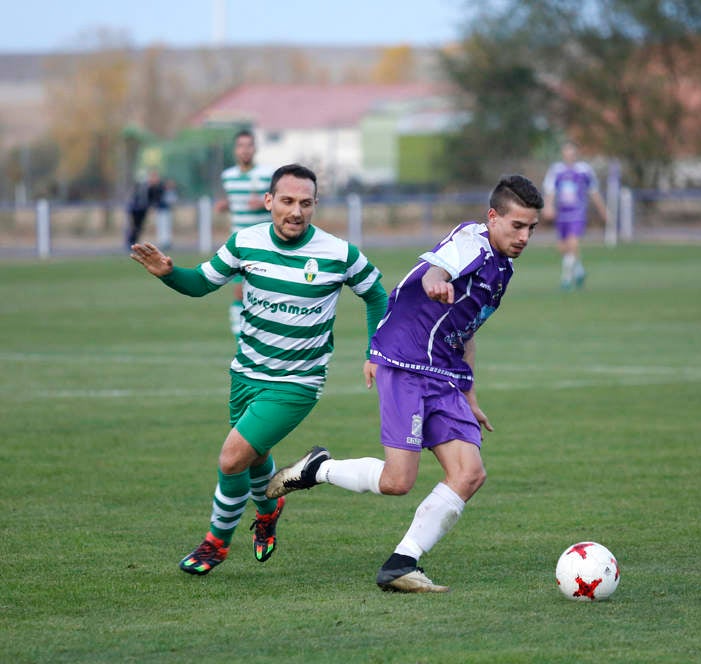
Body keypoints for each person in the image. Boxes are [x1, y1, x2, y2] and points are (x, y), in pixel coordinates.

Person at [267, 174, 543, 593]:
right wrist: (435, 280)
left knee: (469, 474)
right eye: (516, 225)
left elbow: (466, 331)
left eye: (531, 228)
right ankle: (318, 468)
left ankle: (400, 564)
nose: (524, 236)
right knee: (398, 482)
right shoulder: (474, 241)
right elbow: (440, 265)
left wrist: (470, 394)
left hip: (445, 373)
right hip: (406, 361)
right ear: (492, 217)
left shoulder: (502, 270)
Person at [130, 164, 388, 576]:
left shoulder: (339, 253)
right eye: (287, 201)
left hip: (296, 383)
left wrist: (376, 350)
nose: (296, 211)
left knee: (232, 458)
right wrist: (169, 274)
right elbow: (201, 282)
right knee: (254, 458)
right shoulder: (244, 243)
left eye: (305, 203)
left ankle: (215, 544)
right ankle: (269, 508)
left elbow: (377, 296)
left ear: (315, 205)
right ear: (269, 202)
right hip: (246, 373)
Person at [214, 128, 275, 337]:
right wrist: (225, 205)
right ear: (235, 150)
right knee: (239, 291)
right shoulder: (228, 177)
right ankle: (240, 336)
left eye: (249, 145)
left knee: (265, 291)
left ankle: (268, 333)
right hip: (239, 243)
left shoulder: (267, 175)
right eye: (241, 146)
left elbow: (279, 202)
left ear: (255, 148)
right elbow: (235, 203)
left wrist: (263, 204)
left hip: (265, 242)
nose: (245, 150)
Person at [542, 141, 608, 290]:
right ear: (563, 154)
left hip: (577, 214)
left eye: (571, 152)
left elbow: (594, 191)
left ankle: (565, 279)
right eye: (566, 152)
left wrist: (603, 210)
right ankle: (579, 271)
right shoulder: (556, 170)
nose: (569, 155)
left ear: (576, 154)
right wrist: (548, 207)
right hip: (562, 215)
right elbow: (550, 191)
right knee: (564, 248)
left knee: (573, 244)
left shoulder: (584, 170)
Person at [126, 169, 164, 247]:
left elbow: (155, 199)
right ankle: (130, 242)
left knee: (139, 227)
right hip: (136, 209)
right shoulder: (143, 186)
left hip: (143, 209)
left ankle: (134, 243)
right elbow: (138, 198)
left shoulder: (155, 188)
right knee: (135, 226)